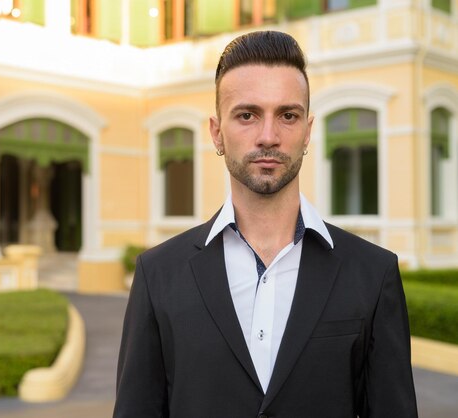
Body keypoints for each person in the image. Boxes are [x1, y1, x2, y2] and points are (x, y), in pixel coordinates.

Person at [113, 31, 418, 418]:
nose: (268, 136)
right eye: (247, 115)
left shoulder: (373, 273)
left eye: (287, 116)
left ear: (307, 132)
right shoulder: (157, 275)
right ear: (216, 132)